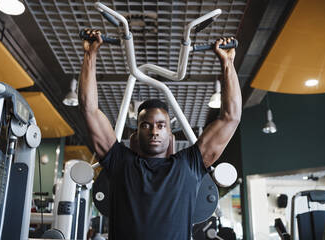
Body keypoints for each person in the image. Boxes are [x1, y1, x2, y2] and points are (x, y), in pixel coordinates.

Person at [78, 29, 242, 240]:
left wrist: (227, 63)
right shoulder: (120, 161)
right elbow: (89, 109)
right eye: (146, 125)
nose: (154, 131)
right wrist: (90, 55)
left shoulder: (189, 164)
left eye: (161, 125)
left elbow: (231, 117)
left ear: (170, 132)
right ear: (136, 133)